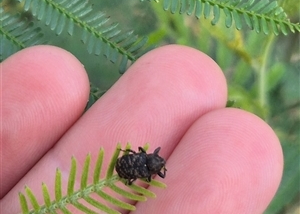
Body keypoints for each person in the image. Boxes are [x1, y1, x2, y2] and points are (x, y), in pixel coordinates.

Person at [1, 45, 283, 213]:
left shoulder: (147, 165)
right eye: (157, 165)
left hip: (127, 165)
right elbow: (140, 161)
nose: (159, 164)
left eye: (158, 166)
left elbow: (140, 160)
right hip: (126, 166)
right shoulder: (148, 166)